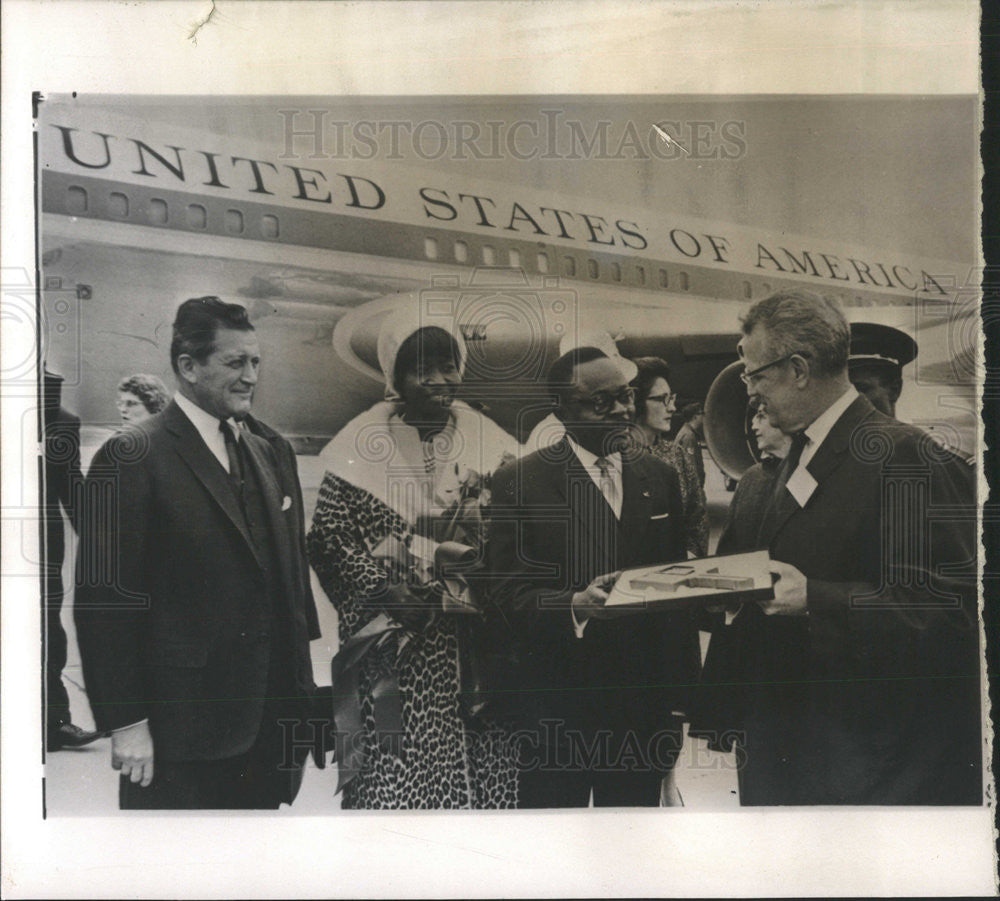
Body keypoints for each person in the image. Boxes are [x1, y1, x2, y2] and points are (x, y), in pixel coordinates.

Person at [706, 289, 980, 805]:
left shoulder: (909, 459)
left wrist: (815, 598)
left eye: (755, 375)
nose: (750, 393)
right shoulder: (794, 458)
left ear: (799, 369)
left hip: (867, 771)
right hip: (789, 756)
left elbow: (954, 612)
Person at [74, 297, 319, 809]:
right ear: (187, 366)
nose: (251, 376)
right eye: (235, 363)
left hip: (267, 733)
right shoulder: (133, 454)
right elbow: (105, 605)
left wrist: (305, 702)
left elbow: (286, 586)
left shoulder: (263, 449)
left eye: (255, 363)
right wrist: (127, 723)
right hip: (178, 738)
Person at [306, 308, 520, 809]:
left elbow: (517, 536)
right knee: (396, 777)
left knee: (479, 777)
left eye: (449, 365)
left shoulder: (491, 442)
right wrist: (385, 590)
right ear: (394, 376)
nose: (439, 380)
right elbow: (329, 539)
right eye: (421, 368)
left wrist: (478, 578)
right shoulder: (358, 445)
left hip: (473, 650)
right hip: (391, 649)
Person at [486, 347, 700, 808]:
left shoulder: (659, 477)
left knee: (628, 857)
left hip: (640, 719)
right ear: (561, 411)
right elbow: (504, 596)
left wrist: (678, 706)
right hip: (555, 718)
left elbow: (675, 601)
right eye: (602, 402)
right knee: (552, 857)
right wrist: (574, 606)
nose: (623, 409)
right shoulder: (521, 482)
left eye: (626, 396)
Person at [42, 368, 104, 751]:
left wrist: (99, 543)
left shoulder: (63, 421)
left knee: (50, 634)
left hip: (42, 552)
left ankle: (54, 721)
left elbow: (73, 487)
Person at [630, 356, 709, 557]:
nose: (672, 408)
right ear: (636, 402)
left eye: (671, 398)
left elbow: (697, 516)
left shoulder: (677, 455)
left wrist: (691, 555)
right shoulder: (615, 459)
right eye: (660, 399)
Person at [847, 322, 917, 418]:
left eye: (861, 389)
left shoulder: (914, 433)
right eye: (845, 393)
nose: (849, 401)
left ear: (895, 390)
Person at [673, 402, 706, 488]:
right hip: (690, 487)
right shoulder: (688, 436)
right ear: (695, 417)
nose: (704, 417)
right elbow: (690, 466)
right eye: (702, 413)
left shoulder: (688, 433)